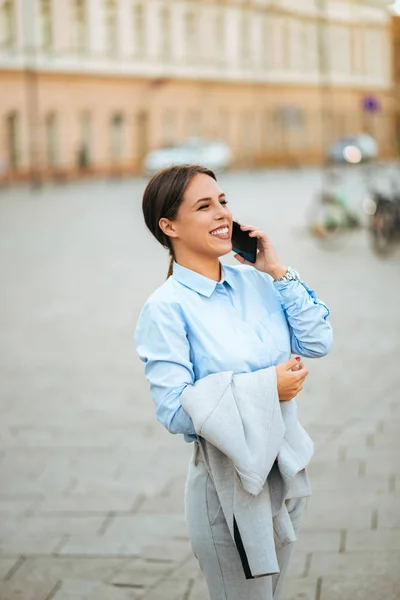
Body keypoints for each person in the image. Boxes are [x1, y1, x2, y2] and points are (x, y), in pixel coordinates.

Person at [134, 164, 333, 600]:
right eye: (204, 206)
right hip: (227, 493)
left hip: (286, 473)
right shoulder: (166, 308)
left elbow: (318, 340)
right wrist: (266, 389)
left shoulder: (256, 281)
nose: (222, 214)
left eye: (223, 202)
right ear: (169, 226)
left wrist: (277, 269)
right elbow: (173, 411)